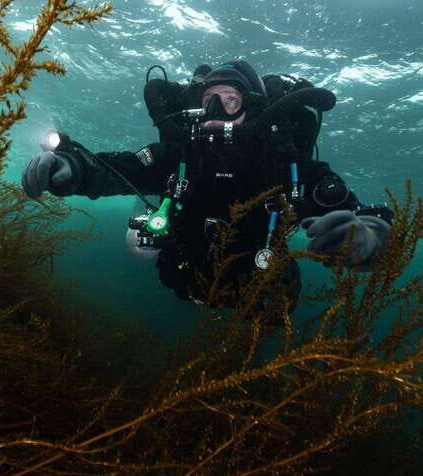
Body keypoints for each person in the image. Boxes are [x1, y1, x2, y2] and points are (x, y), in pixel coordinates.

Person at [21, 60, 393, 307]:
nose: (216, 110)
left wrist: (370, 238)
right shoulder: (179, 155)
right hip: (186, 282)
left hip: (260, 296)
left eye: (230, 100)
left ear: (253, 106)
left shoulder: (286, 164)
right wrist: (68, 166)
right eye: (208, 101)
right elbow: (113, 169)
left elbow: (363, 217)